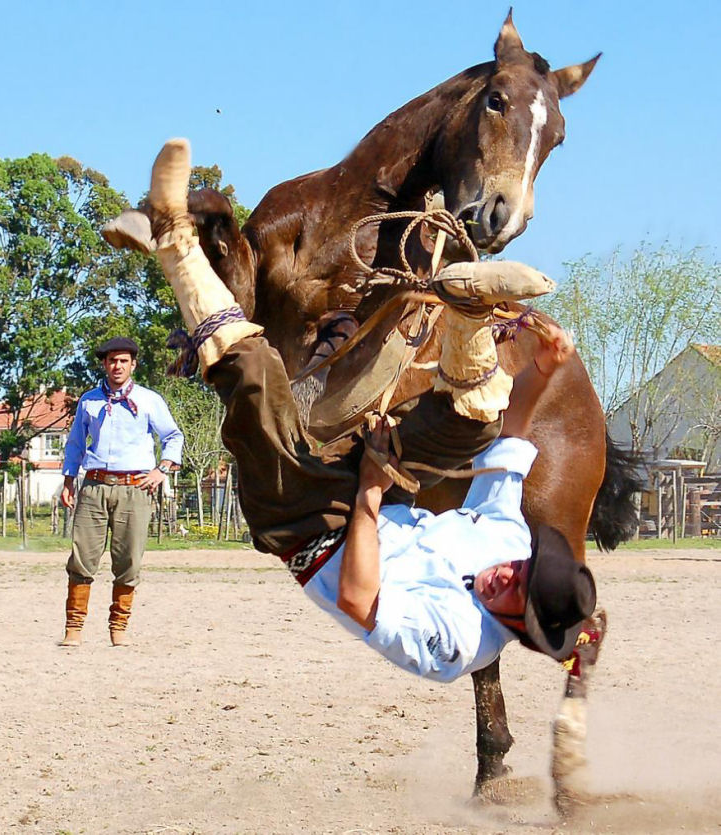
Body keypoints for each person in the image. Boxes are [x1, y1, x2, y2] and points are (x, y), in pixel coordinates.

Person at [107, 138, 596, 680]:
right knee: (475, 425)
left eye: (514, 588)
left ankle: (175, 240)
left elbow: (359, 599)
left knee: (255, 372)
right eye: (518, 568)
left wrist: (368, 489)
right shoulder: (508, 543)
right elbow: (515, 441)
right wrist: (543, 371)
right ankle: (467, 310)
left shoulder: (456, 641)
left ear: (520, 624)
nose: (505, 572)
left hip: (314, 526)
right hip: (382, 490)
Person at [59, 336, 184, 647]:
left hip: (135, 489)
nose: (117, 366)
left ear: (133, 365)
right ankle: (73, 627)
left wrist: (162, 470)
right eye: (112, 360)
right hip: (94, 487)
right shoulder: (88, 401)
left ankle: (119, 628)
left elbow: (173, 436)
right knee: (82, 557)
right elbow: (76, 444)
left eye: (123, 361)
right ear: (105, 364)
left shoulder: (149, 400)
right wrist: (69, 480)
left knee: (129, 560)